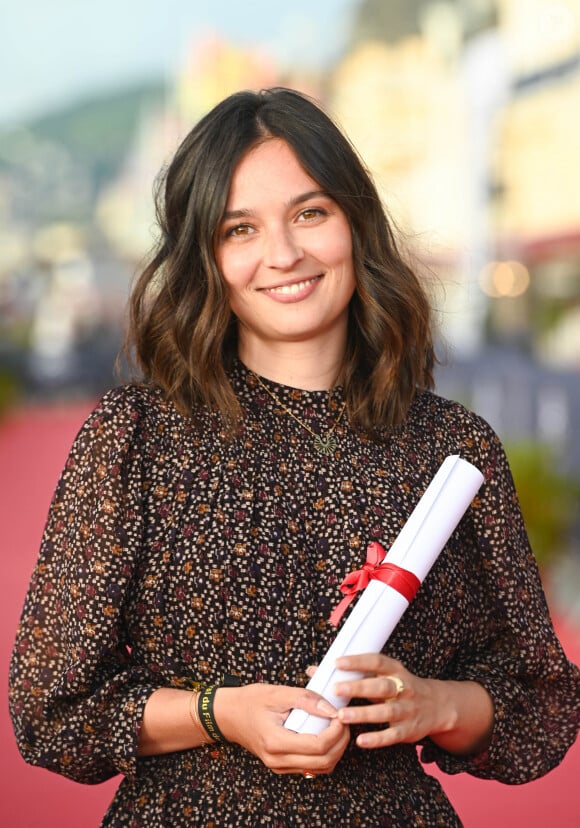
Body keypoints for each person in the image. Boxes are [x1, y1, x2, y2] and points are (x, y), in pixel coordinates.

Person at [9, 87, 579, 827]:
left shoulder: (452, 449)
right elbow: (51, 712)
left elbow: (539, 705)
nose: (283, 255)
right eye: (239, 229)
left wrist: (431, 704)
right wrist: (221, 714)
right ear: (205, 258)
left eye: (310, 213)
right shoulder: (135, 439)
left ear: (355, 222)